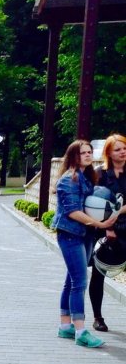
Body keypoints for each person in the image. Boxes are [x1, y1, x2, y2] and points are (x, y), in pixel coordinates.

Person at [53, 139, 123, 348]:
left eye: (89, 152)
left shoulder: (86, 177)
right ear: (73, 156)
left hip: (85, 235)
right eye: (82, 152)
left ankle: (65, 326)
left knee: (71, 281)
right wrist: (99, 224)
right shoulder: (68, 179)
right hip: (70, 235)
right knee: (79, 283)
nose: (87, 155)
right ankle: (81, 332)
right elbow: (73, 212)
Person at [89, 133, 126, 331]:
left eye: (125, 148)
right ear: (109, 153)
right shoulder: (100, 174)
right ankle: (98, 317)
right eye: (118, 149)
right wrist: (108, 227)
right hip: (104, 230)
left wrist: (117, 210)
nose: (123, 152)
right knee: (99, 273)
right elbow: (94, 203)